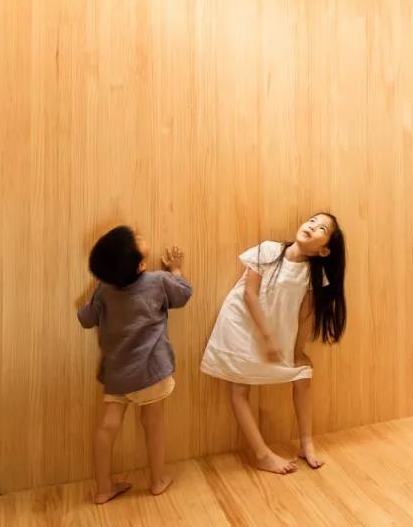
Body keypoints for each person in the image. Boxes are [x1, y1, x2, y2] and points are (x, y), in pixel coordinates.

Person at [201, 213, 347, 474]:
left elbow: (305, 315)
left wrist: (298, 350)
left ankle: (306, 443)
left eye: (322, 228)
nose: (312, 226)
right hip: (241, 324)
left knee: (303, 374)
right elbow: (249, 294)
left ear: (324, 251)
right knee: (239, 388)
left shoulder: (312, 274)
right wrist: (267, 338)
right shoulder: (269, 250)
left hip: (273, 332)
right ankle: (262, 455)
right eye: (312, 221)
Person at [77, 225, 192, 503]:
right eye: (135, 240)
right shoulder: (158, 281)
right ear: (141, 265)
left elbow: (86, 319)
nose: (138, 236)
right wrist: (175, 269)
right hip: (152, 371)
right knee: (153, 424)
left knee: (108, 427)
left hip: (118, 374)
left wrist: (94, 293)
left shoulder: (104, 290)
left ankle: (103, 488)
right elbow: (184, 294)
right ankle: (157, 480)